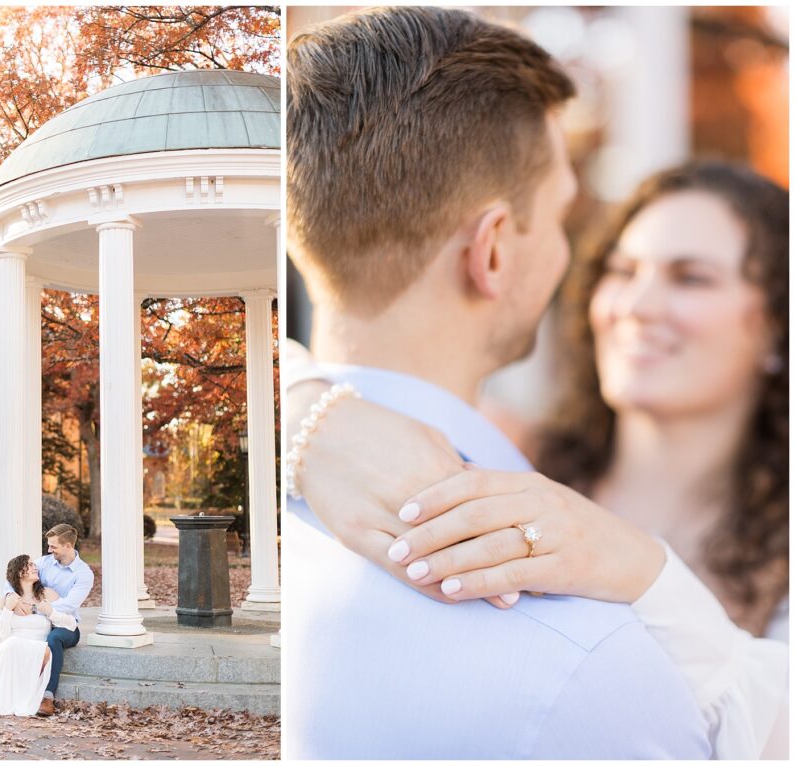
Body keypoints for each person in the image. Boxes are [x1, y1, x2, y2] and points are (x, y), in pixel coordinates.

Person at [284, 6, 711, 759]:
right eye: (559, 219)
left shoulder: (288, 474)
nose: (567, 255)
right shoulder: (593, 660)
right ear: (491, 252)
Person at [287, 162, 789, 757]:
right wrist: (311, 414)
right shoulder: (502, 446)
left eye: (691, 279)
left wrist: (646, 572)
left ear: (778, 330)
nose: (636, 305)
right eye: (620, 271)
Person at [0, 524, 94, 716]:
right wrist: (10, 599)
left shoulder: (83, 573)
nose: (49, 550)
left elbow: (69, 606)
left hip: (65, 623)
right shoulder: (44, 563)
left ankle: (47, 697)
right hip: (38, 615)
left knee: (54, 639)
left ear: (68, 546)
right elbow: (14, 576)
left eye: (53, 546)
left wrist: (33, 607)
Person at [0, 554, 75, 716]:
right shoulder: (8, 600)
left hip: (38, 648)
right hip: (13, 647)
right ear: (19, 573)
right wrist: (8, 609)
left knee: (25, 647)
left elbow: (71, 624)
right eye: (29, 565)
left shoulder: (48, 594)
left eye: (33, 564)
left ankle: (43, 697)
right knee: (9, 643)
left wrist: (50, 612)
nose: (35, 567)